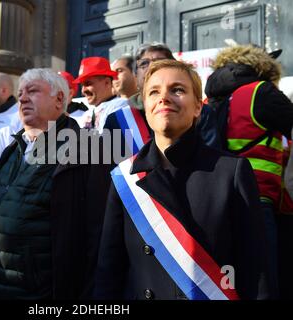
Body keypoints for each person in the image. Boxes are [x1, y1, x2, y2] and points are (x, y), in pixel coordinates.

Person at [94, 60, 275, 300]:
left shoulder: (231, 171)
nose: (164, 98)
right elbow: (109, 272)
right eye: (154, 92)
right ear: (146, 107)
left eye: (177, 90)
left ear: (198, 107)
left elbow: (256, 269)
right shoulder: (124, 177)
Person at [0, 68, 111, 299]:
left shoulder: (90, 149)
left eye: (32, 91)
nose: (22, 98)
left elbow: (98, 236)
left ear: (60, 99)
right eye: (20, 93)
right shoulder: (12, 149)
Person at [205, 45, 293, 295]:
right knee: (265, 278)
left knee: (230, 276)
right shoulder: (260, 91)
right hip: (258, 196)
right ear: (263, 67)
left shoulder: (209, 99)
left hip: (216, 198)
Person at [104, 43, 176, 156]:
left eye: (160, 61)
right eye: (144, 63)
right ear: (135, 75)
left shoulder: (196, 113)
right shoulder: (117, 121)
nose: (152, 67)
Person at [72, 57, 128, 132]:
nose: (83, 90)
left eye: (88, 84)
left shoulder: (122, 106)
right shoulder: (86, 114)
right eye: (82, 85)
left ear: (107, 83)